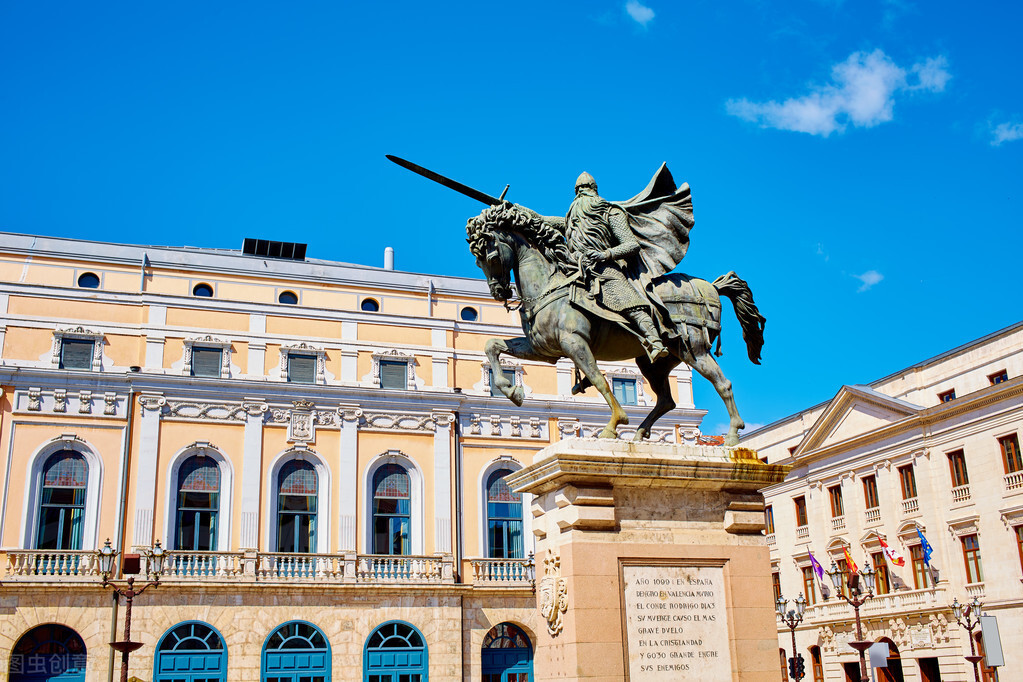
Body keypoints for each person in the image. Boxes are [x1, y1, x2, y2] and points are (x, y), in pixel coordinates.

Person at [564, 171, 669, 361]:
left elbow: (631, 244)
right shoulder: (572, 219)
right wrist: (516, 209)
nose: (581, 195)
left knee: (627, 300)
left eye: (584, 190)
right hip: (577, 270)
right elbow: (543, 220)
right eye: (578, 192)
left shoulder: (610, 211)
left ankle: (655, 340)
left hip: (606, 268)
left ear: (593, 191)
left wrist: (605, 254)